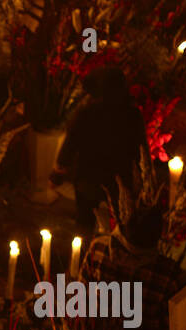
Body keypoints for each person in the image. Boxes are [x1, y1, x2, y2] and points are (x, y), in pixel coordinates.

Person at [50, 66, 147, 237]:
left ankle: (83, 254)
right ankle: (115, 253)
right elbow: (141, 150)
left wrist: (58, 174)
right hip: (119, 180)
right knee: (121, 222)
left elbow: (70, 144)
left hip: (89, 178)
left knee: (84, 222)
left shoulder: (87, 113)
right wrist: (143, 179)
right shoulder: (133, 115)